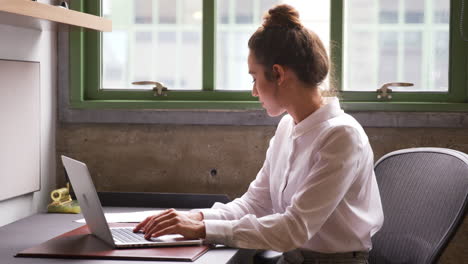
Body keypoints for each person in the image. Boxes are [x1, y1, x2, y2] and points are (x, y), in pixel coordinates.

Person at [133, 4, 384, 264]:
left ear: (278, 74)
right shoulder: (288, 127)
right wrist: (195, 218)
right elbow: (255, 204)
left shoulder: (341, 136)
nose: (253, 91)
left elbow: (294, 228)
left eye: (254, 77)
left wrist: (202, 230)